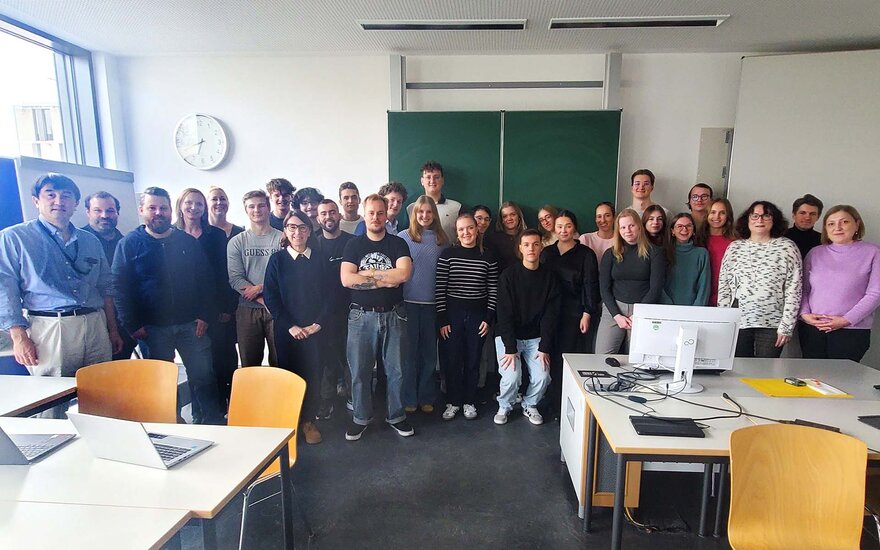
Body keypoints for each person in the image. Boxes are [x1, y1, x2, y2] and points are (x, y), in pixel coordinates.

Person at [0, 174, 121, 417]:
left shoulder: (89, 240)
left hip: (94, 323)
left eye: (66, 196)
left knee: (103, 396)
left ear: (75, 203)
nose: (59, 201)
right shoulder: (15, 238)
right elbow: (6, 289)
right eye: (51, 195)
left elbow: (105, 287)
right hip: (51, 327)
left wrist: (112, 329)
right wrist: (19, 337)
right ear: (36, 200)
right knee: (52, 402)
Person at [112, 187, 225, 424]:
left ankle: (212, 423)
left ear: (170, 210)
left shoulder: (186, 242)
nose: (158, 213)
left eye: (163, 208)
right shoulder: (129, 244)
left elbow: (205, 280)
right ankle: (172, 425)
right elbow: (120, 287)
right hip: (152, 328)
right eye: (152, 208)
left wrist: (205, 315)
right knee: (161, 382)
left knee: (203, 376)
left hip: (191, 325)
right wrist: (132, 325)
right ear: (142, 210)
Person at [341, 193, 413, 440]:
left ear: (386, 215)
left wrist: (367, 274)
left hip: (394, 315)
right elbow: (347, 279)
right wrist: (385, 278)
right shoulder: (353, 245)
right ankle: (360, 418)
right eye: (371, 213)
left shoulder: (398, 244)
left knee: (397, 371)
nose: (376, 217)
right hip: (361, 317)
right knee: (360, 371)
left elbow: (403, 276)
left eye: (380, 213)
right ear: (365, 213)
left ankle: (397, 416)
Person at [264, 210, 337, 445]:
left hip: (315, 331)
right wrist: (291, 326)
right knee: (289, 377)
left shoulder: (320, 258)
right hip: (288, 332)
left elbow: (331, 295)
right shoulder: (277, 260)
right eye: (292, 227)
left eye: (302, 227)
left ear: (309, 230)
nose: (298, 232)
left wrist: (319, 324)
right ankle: (290, 422)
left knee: (313, 376)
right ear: (285, 231)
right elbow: (271, 297)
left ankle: (308, 421)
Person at [174, 188, 235, 418]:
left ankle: (219, 413)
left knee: (219, 363)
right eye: (189, 203)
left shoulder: (216, 236)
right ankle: (198, 414)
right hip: (184, 313)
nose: (194, 207)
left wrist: (225, 308)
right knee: (196, 368)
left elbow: (223, 275)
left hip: (216, 311)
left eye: (198, 203)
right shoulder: (172, 235)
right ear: (180, 205)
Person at [717, 201, 802, 358]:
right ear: (747, 219)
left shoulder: (787, 248)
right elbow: (724, 285)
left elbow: (794, 289)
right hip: (739, 320)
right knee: (739, 370)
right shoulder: (735, 247)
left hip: (772, 323)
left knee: (764, 373)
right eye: (755, 216)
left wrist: (787, 326)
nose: (760, 220)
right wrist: (724, 320)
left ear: (774, 219)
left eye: (766, 216)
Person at [494, 229, 560, 426]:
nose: (531, 248)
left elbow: (551, 314)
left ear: (541, 247)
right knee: (512, 377)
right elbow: (503, 314)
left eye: (535, 244)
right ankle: (504, 405)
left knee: (543, 376)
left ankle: (530, 404)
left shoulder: (550, 278)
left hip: (536, 339)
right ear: (520, 248)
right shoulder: (508, 276)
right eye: (527, 245)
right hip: (509, 337)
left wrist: (544, 346)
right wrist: (510, 347)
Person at [436, 213, 498, 421]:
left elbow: (493, 290)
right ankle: (453, 401)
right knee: (452, 359)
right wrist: (442, 319)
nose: (466, 233)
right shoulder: (447, 255)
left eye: (470, 228)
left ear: (477, 229)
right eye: (461, 229)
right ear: (457, 232)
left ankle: (469, 401)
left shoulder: (488, 256)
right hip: (452, 316)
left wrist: (488, 318)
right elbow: (440, 289)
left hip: (478, 316)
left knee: (473, 359)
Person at [799, 205, 880, 362]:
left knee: (842, 382)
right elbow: (803, 290)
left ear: (857, 224)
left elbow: (875, 293)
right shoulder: (815, 253)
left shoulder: (873, 252)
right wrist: (805, 315)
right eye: (831, 224)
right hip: (813, 329)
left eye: (844, 222)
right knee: (812, 379)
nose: (838, 227)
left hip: (851, 330)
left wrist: (845, 320)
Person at [540, 210, 600, 420]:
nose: (563, 230)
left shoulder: (585, 254)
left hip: (574, 313)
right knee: (551, 358)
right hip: (550, 313)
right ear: (553, 229)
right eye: (559, 226)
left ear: (574, 227)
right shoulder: (547, 253)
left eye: (567, 226)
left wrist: (587, 312)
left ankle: (569, 401)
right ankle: (553, 401)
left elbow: (590, 284)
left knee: (569, 358)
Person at [399, 196, 449, 414]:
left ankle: (426, 396)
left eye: (429, 212)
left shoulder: (442, 240)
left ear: (434, 215)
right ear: (414, 214)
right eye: (420, 212)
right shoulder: (403, 238)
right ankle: (409, 397)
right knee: (409, 354)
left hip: (432, 305)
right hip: (408, 304)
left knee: (429, 354)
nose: (425, 216)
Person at [595, 209, 667, 355]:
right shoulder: (610, 254)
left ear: (639, 226)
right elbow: (604, 288)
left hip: (642, 310)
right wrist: (617, 315)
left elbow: (656, 288)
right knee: (602, 356)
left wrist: (639, 314)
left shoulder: (655, 252)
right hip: (614, 309)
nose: (627, 231)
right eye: (622, 227)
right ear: (618, 230)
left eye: (631, 226)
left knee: (637, 358)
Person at [227, 190, 283, 368]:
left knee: (280, 360)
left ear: (268, 208)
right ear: (246, 210)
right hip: (247, 309)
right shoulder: (237, 242)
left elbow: (286, 275)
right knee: (249, 363)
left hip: (278, 308)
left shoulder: (282, 238)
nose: (256, 210)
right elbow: (235, 278)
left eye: (261, 205)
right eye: (251, 206)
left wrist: (260, 288)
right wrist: (262, 298)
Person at [81, 190, 136, 361]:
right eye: (98, 210)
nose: (105, 215)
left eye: (110, 210)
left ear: (117, 213)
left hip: (125, 324)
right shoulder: (77, 244)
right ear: (88, 212)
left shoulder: (128, 243)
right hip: (90, 323)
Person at [314, 198, 354, 417]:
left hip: (351, 309)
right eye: (324, 213)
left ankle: (352, 396)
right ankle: (326, 400)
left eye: (332, 212)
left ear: (338, 215)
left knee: (351, 357)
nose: (328, 217)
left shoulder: (352, 242)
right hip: (323, 313)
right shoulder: (314, 244)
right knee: (327, 359)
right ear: (318, 218)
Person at [206, 186, 244, 400]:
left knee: (230, 354)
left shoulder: (239, 232)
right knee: (209, 357)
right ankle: (216, 401)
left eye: (223, 198)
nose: (219, 202)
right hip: (210, 306)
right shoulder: (203, 234)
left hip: (236, 302)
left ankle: (232, 400)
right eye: (214, 199)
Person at [405, 161, 462, 240]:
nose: (432, 181)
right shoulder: (411, 208)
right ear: (422, 181)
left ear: (442, 180)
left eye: (436, 177)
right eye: (428, 177)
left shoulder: (456, 207)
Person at [663, 213, 710, 306]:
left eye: (688, 226)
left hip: (693, 310)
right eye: (679, 226)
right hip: (667, 309)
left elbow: (704, 285)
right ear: (672, 231)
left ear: (693, 230)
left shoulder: (702, 254)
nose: (684, 229)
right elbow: (658, 284)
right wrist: (668, 306)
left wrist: (696, 309)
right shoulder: (663, 253)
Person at [696, 198, 737, 306]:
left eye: (722, 213)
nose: (717, 217)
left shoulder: (735, 241)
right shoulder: (698, 239)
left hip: (727, 298)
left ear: (728, 216)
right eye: (713, 212)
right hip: (701, 296)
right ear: (707, 215)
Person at [484, 201, 526, 273]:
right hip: (502, 280)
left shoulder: (527, 237)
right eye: (505, 216)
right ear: (502, 220)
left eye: (512, 214)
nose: (509, 218)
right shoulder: (492, 240)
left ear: (519, 217)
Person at [785, 194, 824, 259]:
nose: (807, 218)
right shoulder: (781, 237)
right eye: (802, 213)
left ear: (818, 217)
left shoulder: (823, 240)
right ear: (794, 215)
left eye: (812, 214)